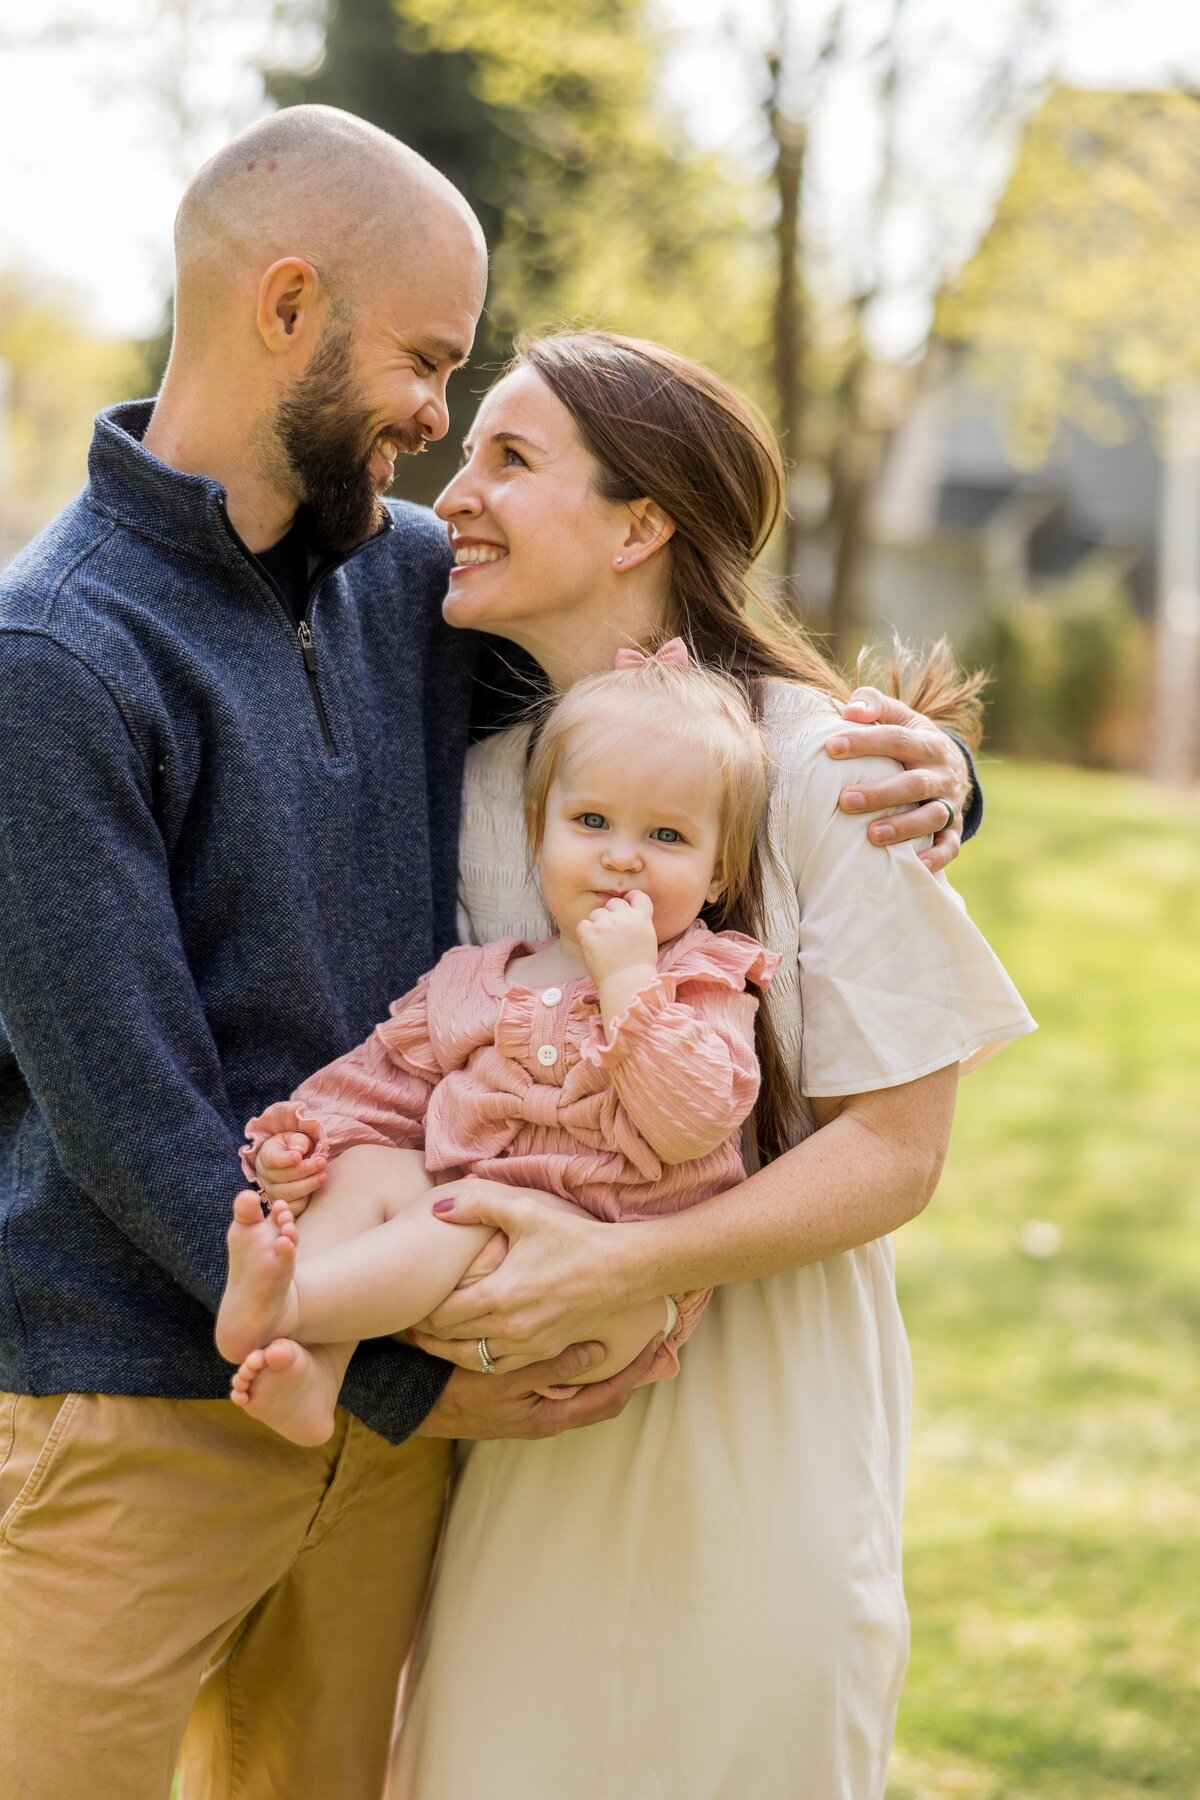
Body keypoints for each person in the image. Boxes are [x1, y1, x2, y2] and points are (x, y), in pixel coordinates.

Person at [0, 102, 982, 1799]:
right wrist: (384, 1377)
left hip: (405, 1452)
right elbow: (130, 1121)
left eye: (475, 404)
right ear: (287, 305)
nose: (441, 430)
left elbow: (692, 727)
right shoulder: (56, 656)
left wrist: (944, 784)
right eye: (428, 363)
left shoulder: (409, 593)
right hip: (154, 1408)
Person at [376, 330, 1037, 1799]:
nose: (452, 495)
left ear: (640, 522)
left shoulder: (823, 766)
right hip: (528, 1429)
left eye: (509, 458)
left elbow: (895, 1153)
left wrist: (615, 1270)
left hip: (756, 1410)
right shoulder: (480, 775)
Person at [217, 648, 783, 1445]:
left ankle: (294, 1302)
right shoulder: (477, 980)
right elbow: (378, 1085)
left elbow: (691, 1121)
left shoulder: (700, 980)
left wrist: (629, 982)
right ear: (536, 832)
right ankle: (318, 1369)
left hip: (607, 1284)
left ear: (718, 872)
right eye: (592, 823)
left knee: (464, 1214)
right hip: (463, 1250)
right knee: (373, 1167)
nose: (623, 856)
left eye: (665, 835)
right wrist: (303, 1142)